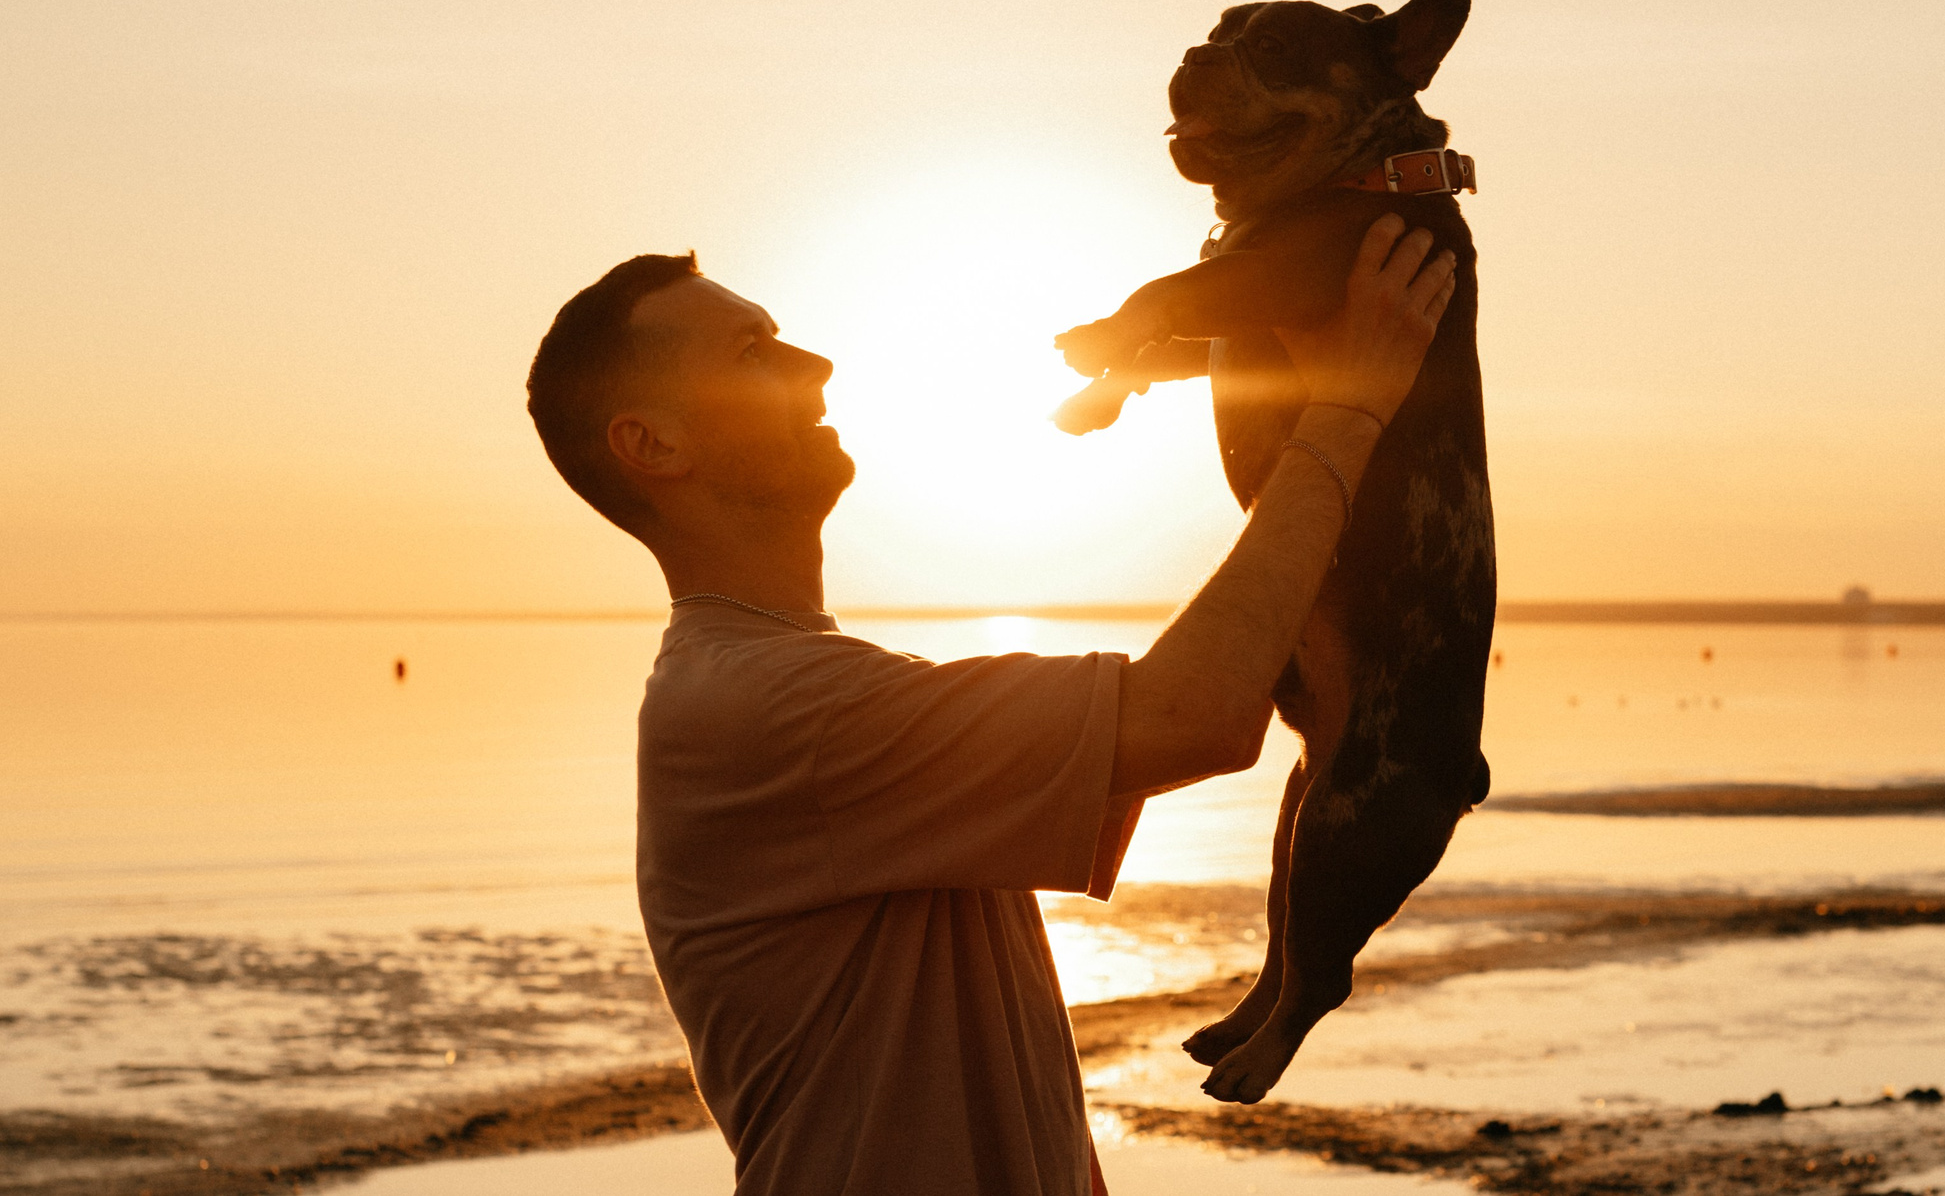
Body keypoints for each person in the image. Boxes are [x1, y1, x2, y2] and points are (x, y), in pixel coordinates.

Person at [524, 215, 1458, 1196]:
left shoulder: (799, 691)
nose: (817, 362)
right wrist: (1349, 406)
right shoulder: (761, 705)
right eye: (754, 351)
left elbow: (1209, 689)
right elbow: (1198, 713)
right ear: (652, 443)